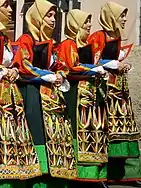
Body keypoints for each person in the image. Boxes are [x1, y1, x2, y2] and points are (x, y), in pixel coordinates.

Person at [12, 0, 77, 187]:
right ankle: (37, 177)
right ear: (37, 18)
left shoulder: (51, 43)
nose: (53, 20)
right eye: (48, 15)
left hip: (50, 97)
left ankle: (54, 174)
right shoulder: (26, 39)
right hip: (32, 94)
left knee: (55, 135)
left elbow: (60, 64)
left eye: (54, 16)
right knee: (38, 133)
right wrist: (45, 75)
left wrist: (60, 74)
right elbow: (24, 65)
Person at [54, 8, 110, 184]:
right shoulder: (68, 44)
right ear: (75, 25)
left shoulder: (85, 44)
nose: (88, 26)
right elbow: (71, 66)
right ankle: (79, 174)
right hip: (76, 94)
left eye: (89, 22)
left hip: (89, 94)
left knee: (93, 132)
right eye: (85, 22)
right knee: (80, 132)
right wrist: (93, 69)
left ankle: (94, 175)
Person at [88, 2, 141, 182]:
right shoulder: (98, 36)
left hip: (120, 90)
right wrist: (113, 64)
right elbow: (93, 61)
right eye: (121, 16)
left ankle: (127, 173)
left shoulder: (117, 36)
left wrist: (123, 65)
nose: (125, 19)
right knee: (106, 130)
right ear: (111, 17)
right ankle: (105, 173)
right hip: (105, 90)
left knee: (125, 130)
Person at [0, 0, 41, 187]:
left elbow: (15, 62)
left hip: (10, 95)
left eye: (11, 5)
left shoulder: (6, 38)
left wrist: (15, 70)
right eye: (6, 5)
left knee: (12, 135)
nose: (10, 10)